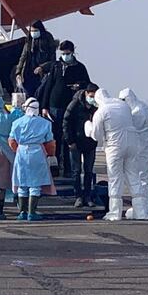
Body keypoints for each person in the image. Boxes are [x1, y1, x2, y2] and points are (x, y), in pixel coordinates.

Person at [37, 41, 91, 177]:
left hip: (71, 106)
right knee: (54, 137)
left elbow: (88, 84)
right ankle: (54, 167)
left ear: (72, 52)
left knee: (69, 138)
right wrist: (44, 106)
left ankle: (69, 169)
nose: (65, 56)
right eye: (63, 53)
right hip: (54, 106)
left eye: (67, 53)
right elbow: (48, 86)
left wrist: (79, 86)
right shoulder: (56, 66)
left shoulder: (80, 67)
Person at [88, 89, 141, 221]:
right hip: (133, 144)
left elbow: (96, 135)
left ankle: (115, 213)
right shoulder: (124, 106)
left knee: (115, 178)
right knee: (133, 176)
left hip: (115, 146)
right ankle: (142, 211)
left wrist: (88, 127)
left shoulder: (101, 111)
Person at [9, 98, 57, 221]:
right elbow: (50, 142)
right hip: (37, 153)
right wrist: (51, 154)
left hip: (21, 152)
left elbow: (11, 141)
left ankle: (22, 212)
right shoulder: (46, 123)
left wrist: (17, 150)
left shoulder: (17, 123)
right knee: (35, 184)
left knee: (22, 183)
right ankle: (32, 212)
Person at [119, 88, 148, 220]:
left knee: (141, 178)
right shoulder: (142, 106)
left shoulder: (138, 111)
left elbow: (132, 126)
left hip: (141, 148)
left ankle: (142, 209)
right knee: (144, 178)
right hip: (143, 147)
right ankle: (146, 208)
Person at [63, 83, 99, 208]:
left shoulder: (97, 106)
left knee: (88, 171)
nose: (93, 98)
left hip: (90, 143)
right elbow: (66, 122)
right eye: (91, 96)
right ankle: (78, 196)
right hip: (76, 143)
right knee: (76, 171)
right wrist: (69, 141)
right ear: (86, 93)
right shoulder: (75, 104)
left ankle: (88, 196)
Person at [16, 21, 57, 97]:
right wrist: (18, 72)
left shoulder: (47, 39)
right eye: (31, 31)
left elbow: (53, 60)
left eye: (35, 31)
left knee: (40, 95)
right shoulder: (29, 41)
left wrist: (43, 67)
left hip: (41, 75)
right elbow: (23, 57)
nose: (33, 33)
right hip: (28, 73)